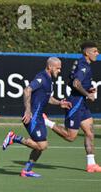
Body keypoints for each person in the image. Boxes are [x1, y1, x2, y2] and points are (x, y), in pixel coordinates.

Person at [2, 58, 72, 177]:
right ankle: (14, 138)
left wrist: (60, 103)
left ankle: (27, 170)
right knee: (42, 145)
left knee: (40, 146)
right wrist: (28, 111)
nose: (59, 70)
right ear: (50, 67)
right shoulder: (41, 77)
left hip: (39, 117)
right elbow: (27, 90)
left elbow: (48, 98)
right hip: (32, 116)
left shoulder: (49, 80)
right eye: (58, 68)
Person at [41, 42, 100, 172]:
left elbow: (74, 81)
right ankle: (46, 122)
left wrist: (88, 89)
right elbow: (76, 83)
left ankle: (91, 164)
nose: (97, 53)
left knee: (89, 132)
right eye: (95, 51)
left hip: (81, 102)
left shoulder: (81, 63)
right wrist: (87, 94)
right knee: (70, 137)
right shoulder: (83, 66)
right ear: (87, 53)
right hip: (75, 102)